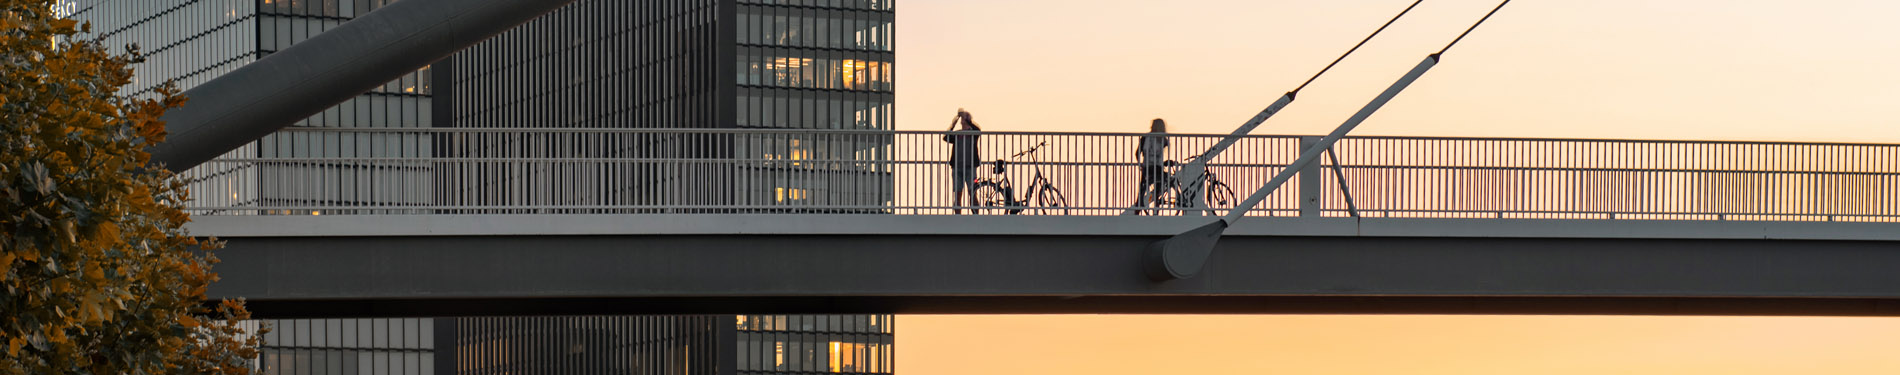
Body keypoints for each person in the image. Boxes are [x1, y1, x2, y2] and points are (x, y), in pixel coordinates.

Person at [944, 109, 983, 214]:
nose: (962, 119)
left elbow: (978, 130)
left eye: (964, 118)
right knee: (957, 193)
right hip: (957, 167)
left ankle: (975, 214)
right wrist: (953, 123)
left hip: (971, 167)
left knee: (973, 192)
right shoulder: (957, 134)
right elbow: (946, 137)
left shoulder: (973, 133)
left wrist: (969, 121)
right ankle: (958, 216)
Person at [1134, 118, 1170, 214]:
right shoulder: (1163, 139)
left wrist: (1140, 164)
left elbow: (1137, 153)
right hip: (1158, 167)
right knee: (1158, 188)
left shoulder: (1145, 137)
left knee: (1142, 187)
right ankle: (1156, 210)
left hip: (1147, 166)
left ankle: (1137, 209)